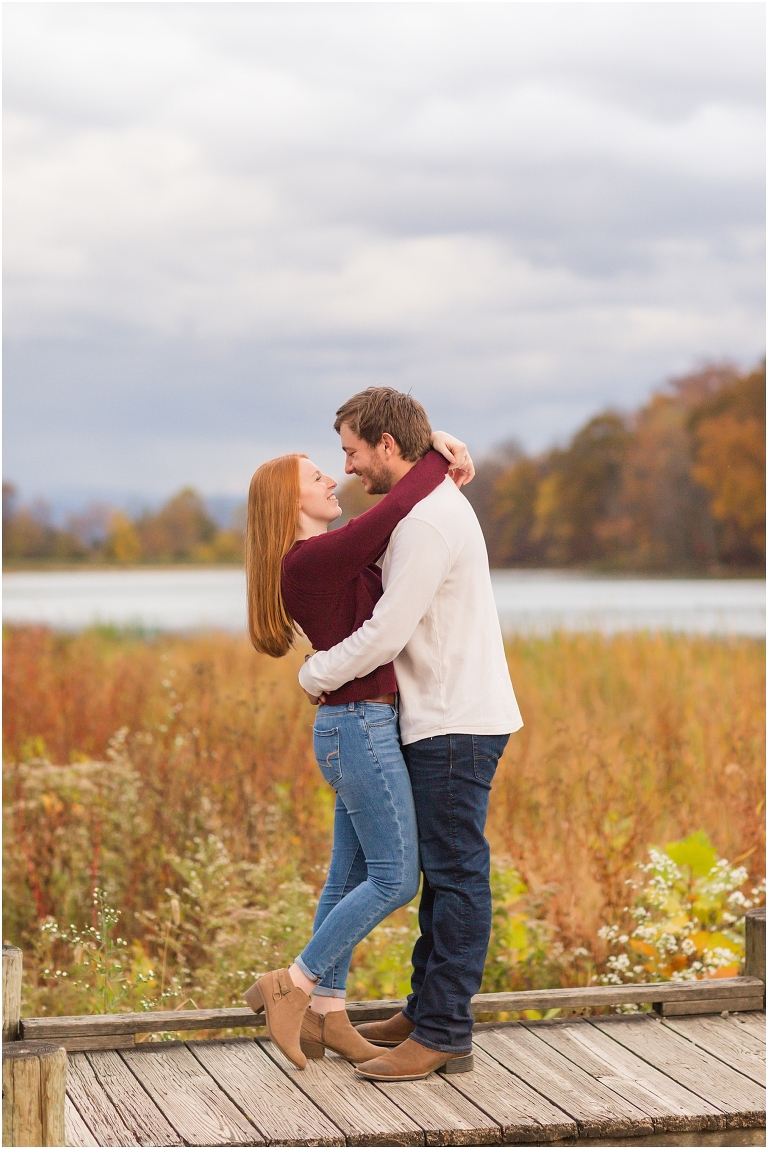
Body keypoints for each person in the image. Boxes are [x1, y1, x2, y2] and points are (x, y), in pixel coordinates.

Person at [299, 386, 523, 1082]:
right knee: (441, 874)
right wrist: (443, 446)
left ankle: (446, 1033)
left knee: (456, 874)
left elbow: (388, 631)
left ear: (387, 446)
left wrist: (317, 672)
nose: (350, 466)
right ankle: (427, 1010)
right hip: (440, 715)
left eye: (353, 450)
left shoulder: (426, 521)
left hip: (454, 718)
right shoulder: (424, 506)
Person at [242, 403, 473, 1071]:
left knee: (347, 876)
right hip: (359, 725)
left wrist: (438, 452)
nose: (332, 478)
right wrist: (435, 451)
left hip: (355, 725)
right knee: (396, 878)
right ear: (291, 502)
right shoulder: (308, 560)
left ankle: (326, 1014)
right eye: (317, 475)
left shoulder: (317, 559)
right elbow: (394, 510)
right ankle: (294, 982)